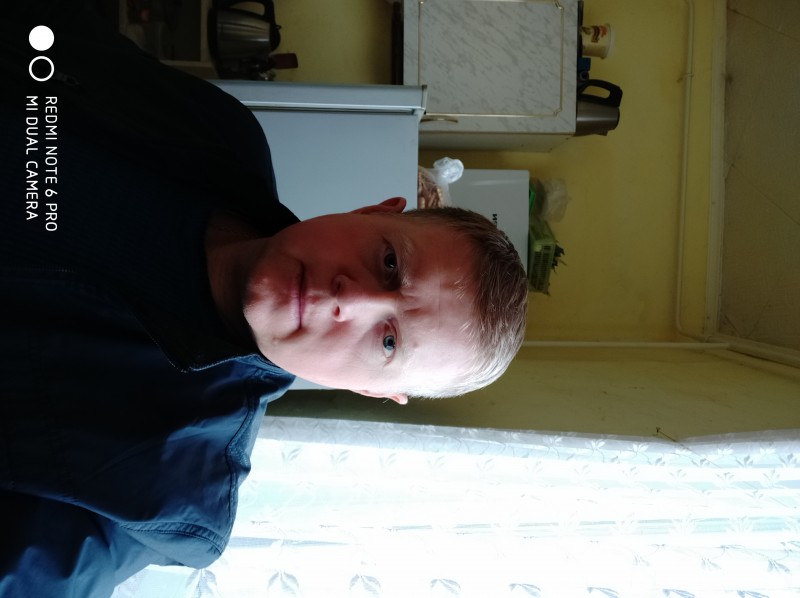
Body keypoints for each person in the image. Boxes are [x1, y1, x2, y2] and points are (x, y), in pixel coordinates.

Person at [0, 2, 528, 596]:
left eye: (387, 342)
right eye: (389, 264)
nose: (349, 300)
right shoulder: (219, 134)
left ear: (371, 390)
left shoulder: (161, 496)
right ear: (372, 211)